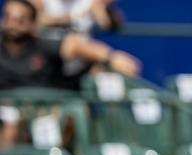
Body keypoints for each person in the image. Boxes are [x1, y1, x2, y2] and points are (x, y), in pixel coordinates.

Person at [0, 0, 139, 91]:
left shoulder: (90, 3)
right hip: (47, 66)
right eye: (8, 19)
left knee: (107, 85)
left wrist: (103, 13)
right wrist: (68, 18)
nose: (13, 25)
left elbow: (108, 23)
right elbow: (34, 18)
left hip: (79, 66)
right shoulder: (42, 3)